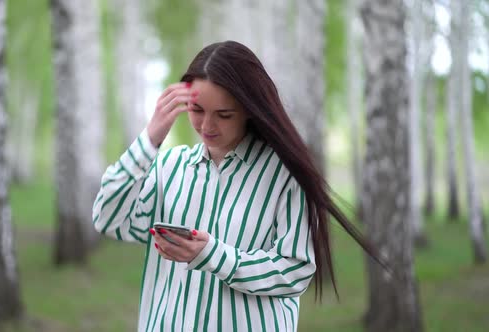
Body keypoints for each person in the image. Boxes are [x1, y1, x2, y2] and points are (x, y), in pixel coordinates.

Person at [92, 40, 378, 332]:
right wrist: (149, 141)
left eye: (224, 115)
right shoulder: (168, 165)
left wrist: (214, 256)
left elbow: (295, 270)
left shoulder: (284, 174)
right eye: (196, 110)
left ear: (249, 109)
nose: (206, 126)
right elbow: (108, 219)